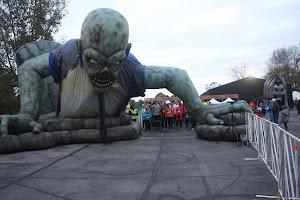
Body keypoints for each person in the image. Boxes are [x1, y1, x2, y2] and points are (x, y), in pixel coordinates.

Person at [0, 8, 252, 138]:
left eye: (115, 61)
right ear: (80, 49)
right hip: (65, 98)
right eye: (94, 61)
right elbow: (28, 67)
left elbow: (177, 75)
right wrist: (27, 113)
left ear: (126, 51)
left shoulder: (130, 70)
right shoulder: (66, 55)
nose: (106, 72)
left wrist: (198, 110)